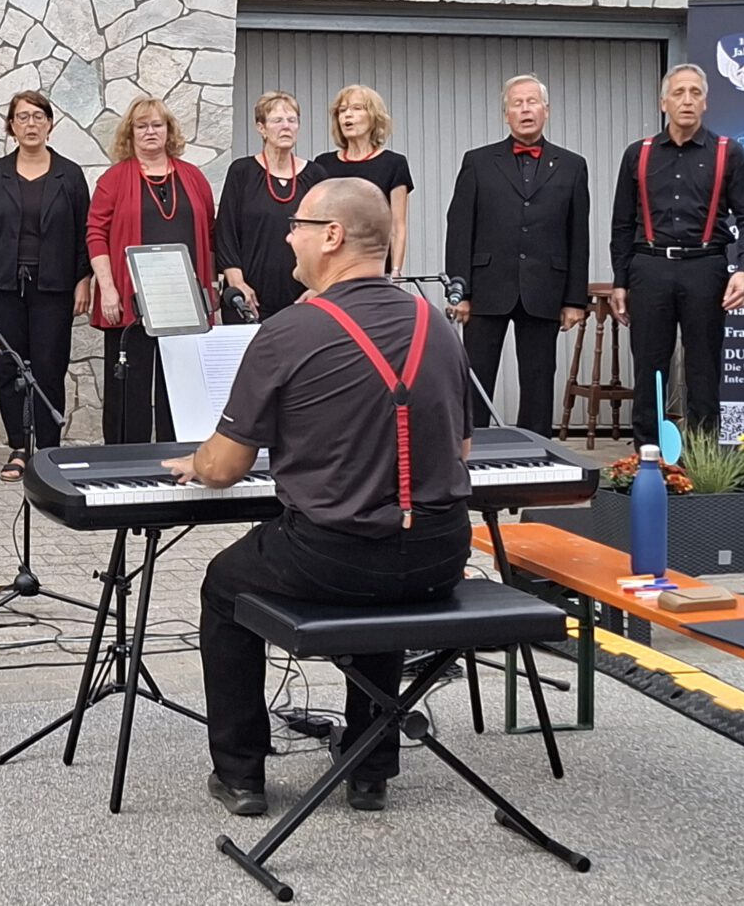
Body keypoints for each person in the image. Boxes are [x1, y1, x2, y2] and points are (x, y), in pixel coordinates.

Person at [175, 179, 474, 818]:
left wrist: (195, 462)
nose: (290, 238)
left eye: (298, 226)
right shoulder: (438, 326)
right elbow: (463, 449)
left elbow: (224, 468)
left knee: (224, 585)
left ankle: (241, 774)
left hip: (331, 557)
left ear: (332, 237)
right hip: (442, 552)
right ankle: (370, 768)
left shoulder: (290, 330)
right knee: (386, 569)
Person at [609, 64, 744, 435]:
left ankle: (702, 456)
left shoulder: (729, 153)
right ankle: (649, 455)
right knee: (649, 369)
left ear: (705, 103)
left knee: (704, 371)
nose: (687, 100)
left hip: (705, 268)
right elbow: (622, 224)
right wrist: (620, 281)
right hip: (650, 268)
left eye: (695, 93)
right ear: (663, 102)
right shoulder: (638, 154)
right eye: (678, 93)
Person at [443, 75, 591, 433]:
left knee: (539, 381)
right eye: (517, 103)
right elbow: (459, 227)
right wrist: (459, 291)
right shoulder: (478, 161)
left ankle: (536, 452)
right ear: (506, 114)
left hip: (545, 288)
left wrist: (574, 300)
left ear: (546, 110)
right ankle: (470, 450)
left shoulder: (572, 165)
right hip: (486, 287)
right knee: (476, 378)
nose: (525, 109)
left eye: (532, 102)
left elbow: (578, 235)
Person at [0, 90, 92, 481]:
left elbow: (83, 232)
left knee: (50, 367)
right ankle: (19, 448)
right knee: (9, 367)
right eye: (22, 117)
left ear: (50, 124)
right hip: (3, 286)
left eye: (38, 116)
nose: (31, 124)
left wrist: (83, 280)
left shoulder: (69, 175)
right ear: (12, 126)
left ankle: (48, 451)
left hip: (54, 287)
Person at [87, 96, 215, 447]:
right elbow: (96, 234)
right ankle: (126, 460)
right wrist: (107, 288)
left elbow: (210, 235)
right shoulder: (114, 179)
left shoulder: (194, 177)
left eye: (157, 125)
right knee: (130, 387)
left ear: (169, 130)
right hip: (131, 300)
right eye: (141, 126)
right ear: (130, 133)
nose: (150, 132)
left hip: (184, 302)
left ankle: (179, 456)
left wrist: (210, 291)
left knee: (181, 387)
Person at [216, 91, 327, 321]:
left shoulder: (316, 175)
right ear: (261, 128)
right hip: (249, 300)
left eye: (292, 120)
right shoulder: (242, 172)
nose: (286, 126)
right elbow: (226, 232)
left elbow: (326, 236)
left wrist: (318, 287)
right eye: (277, 120)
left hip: (303, 299)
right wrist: (237, 284)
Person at [316, 85, 415, 272]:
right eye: (342, 110)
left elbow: (397, 226)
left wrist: (396, 272)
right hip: (333, 266)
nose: (347, 115)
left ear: (373, 117)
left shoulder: (394, 163)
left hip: (375, 266)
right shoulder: (323, 164)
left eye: (357, 108)